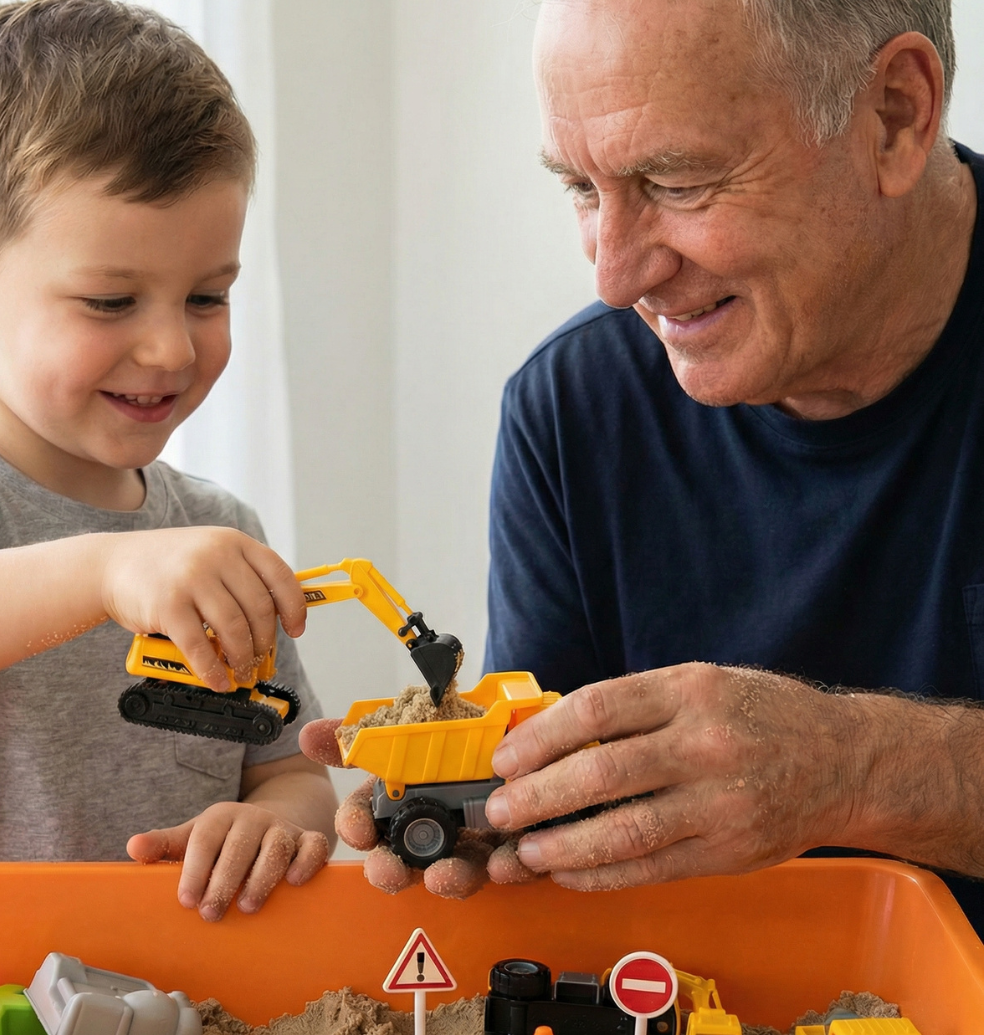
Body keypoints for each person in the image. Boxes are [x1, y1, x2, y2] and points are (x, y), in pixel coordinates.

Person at [304, 0, 984, 930]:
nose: (614, 278)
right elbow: (553, 815)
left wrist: (850, 767)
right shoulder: (569, 406)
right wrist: (492, 826)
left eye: (677, 180)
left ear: (896, 115)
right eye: (582, 188)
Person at [0, 0, 336, 921]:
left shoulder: (217, 531)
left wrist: (275, 819)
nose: (170, 349)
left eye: (207, 296)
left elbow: (285, 769)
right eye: (111, 301)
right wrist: (104, 569)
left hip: (185, 1018)